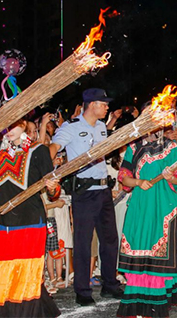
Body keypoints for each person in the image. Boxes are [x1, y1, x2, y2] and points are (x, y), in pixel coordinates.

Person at [49, 88, 123, 306]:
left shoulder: (101, 127)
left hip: (103, 191)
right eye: (104, 103)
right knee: (82, 241)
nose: (107, 107)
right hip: (84, 192)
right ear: (92, 104)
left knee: (110, 240)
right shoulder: (70, 127)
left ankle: (110, 284)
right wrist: (46, 168)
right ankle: (82, 290)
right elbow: (55, 146)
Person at [0, 117, 61, 317]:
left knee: (27, 272)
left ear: (25, 125)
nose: (9, 129)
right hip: (4, 222)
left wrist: (53, 188)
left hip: (30, 221)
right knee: (0, 271)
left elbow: (53, 189)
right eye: (6, 125)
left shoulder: (38, 151)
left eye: (14, 124)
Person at [117, 131, 177, 318]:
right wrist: (138, 181)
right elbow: (124, 177)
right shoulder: (133, 148)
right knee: (140, 244)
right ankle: (137, 298)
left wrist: (169, 177)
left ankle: (157, 298)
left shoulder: (172, 147)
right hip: (141, 205)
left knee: (159, 248)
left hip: (164, 205)